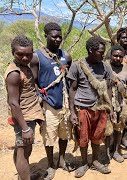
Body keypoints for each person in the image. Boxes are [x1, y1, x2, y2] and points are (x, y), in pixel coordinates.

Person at [30, 22, 73, 180]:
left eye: (60, 36)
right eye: (54, 36)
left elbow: (70, 79)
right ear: (46, 35)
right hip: (48, 103)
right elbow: (34, 81)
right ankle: (50, 164)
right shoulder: (37, 57)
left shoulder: (66, 56)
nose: (57, 39)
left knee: (64, 134)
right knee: (49, 136)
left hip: (64, 102)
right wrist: (39, 102)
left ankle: (61, 159)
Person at [67, 36, 113, 178]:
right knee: (83, 137)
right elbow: (72, 89)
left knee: (97, 136)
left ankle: (95, 161)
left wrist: (110, 108)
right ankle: (84, 163)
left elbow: (109, 89)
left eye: (104, 51)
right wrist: (72, 111)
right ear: (90, 50)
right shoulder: (77, 65)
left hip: (100, 109)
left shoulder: (105, 66)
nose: (103, 54)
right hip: (83, 109)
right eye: (100, 52)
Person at [5, 35, 44, 180]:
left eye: (28, 54)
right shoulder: (14, 73)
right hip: (23, 118)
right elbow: (13, 103)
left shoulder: (24, 67)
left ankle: (24, 175)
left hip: (29, 114)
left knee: (23, 149)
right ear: (12, 53)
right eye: (20, 54)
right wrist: (25, 129)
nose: (25, 58)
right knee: (23, 150)